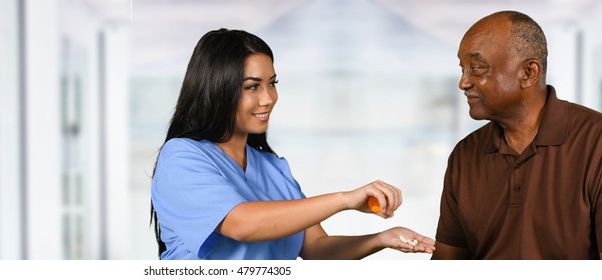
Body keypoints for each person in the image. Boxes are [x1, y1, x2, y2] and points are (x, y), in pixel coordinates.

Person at [149, 28, 435, 260]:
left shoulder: (272, 168)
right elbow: (242, 225)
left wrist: (380, 239)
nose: (268, 98)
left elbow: (317, 249)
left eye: (272, 83)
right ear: (216, 89)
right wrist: (345, 199)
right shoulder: (181, 157)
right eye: (252, 86)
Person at [433, 11, 602, 259]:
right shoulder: (464, 154)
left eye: (476, 68)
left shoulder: (596, 143)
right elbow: (448, 262)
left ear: (528, 73)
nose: (463, 82)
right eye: (463, 68)